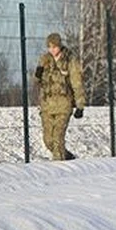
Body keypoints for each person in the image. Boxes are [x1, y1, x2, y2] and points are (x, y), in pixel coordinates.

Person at [35, 32, 85, 160]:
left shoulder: (70, 60)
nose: (52, 50)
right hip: (47, 107)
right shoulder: (44, 60)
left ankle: (59, 170)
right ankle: (66, 156)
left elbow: (77, 82)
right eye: (50, 47)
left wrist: (80, 105)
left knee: (57, 139)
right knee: (48, 141)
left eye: (55, 47)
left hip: (63, 106)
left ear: (60, 46)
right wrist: (37, 75)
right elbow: (38, 82)